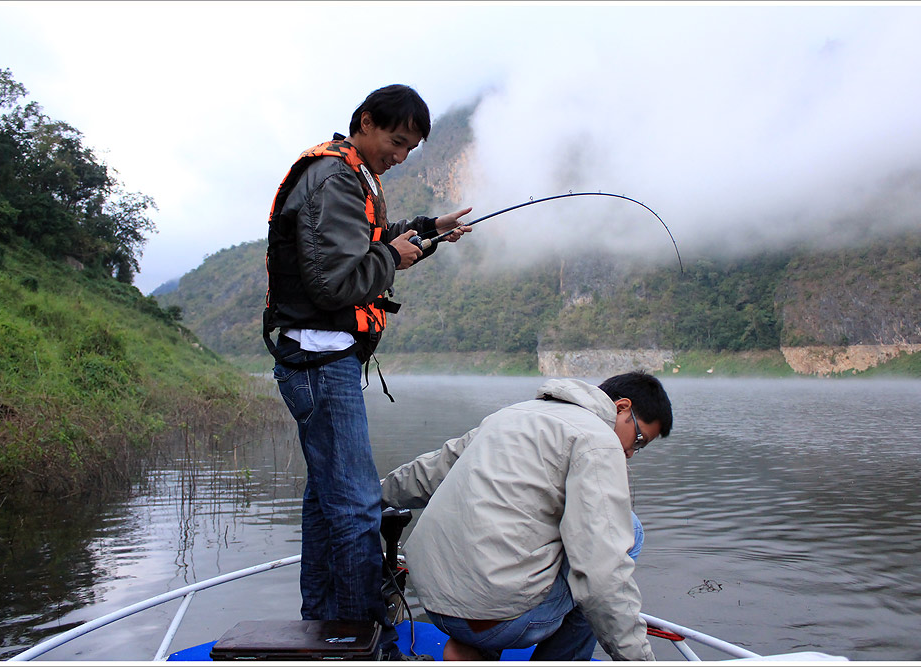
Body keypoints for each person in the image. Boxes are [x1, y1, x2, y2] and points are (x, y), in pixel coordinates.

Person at [262, 84, 472, 660]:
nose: (399, 156)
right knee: (356, 505)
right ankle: (361, 639)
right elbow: (335, 280)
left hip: (322, 359)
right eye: (395, 142)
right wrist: (395, 258)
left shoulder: (351, 178)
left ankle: (323, 625)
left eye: (410, 149)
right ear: (365, 122)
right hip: (320, 360)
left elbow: (368, 243)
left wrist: (427, 231)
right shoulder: (335, 179)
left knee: (325, 499)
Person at [380, 371, 673, 661]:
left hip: (436, 602)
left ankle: (476, 650)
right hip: (497, 621)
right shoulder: (598, 439)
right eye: (639, 439)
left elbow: (430, 472)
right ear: (622, 408)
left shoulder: (513, 414)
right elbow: (603, 575)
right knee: (624, 537)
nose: (632, 453)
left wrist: (370, 495)